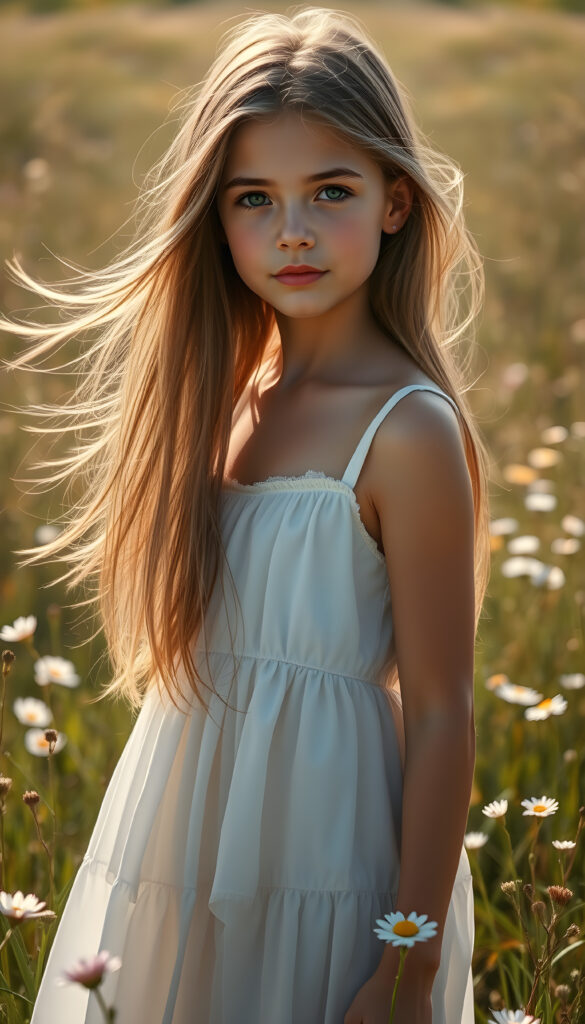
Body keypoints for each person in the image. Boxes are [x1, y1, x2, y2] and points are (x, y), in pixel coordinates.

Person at [1, 7, 492, 1023]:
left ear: (396, 202)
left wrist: (403, 964)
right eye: (253, 200)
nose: (294, 232)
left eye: (331, 192)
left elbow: (443, 712)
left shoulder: (407, 430)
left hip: (326, 859)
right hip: (180, 839)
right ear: (215, 217)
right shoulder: (218, 397)